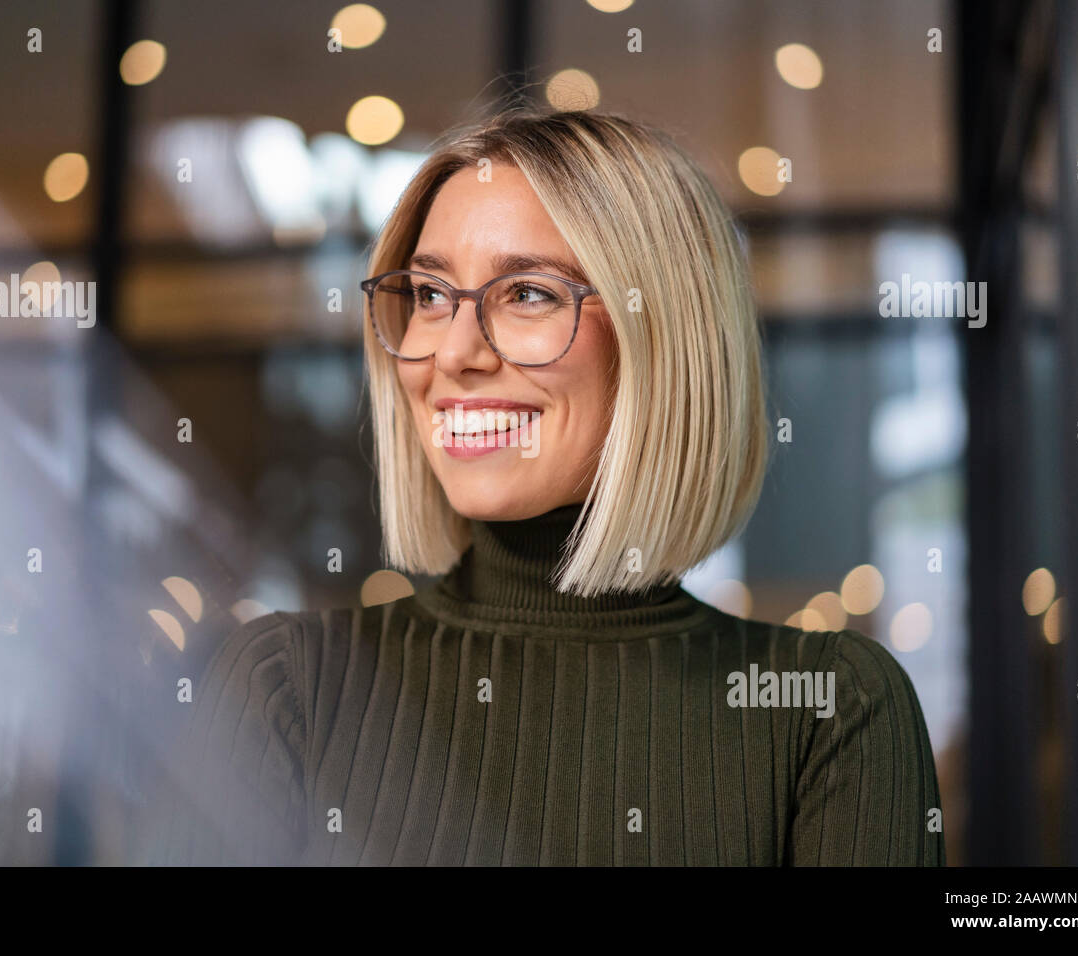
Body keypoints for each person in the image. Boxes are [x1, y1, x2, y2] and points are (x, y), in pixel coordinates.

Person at [154, 108, 945, 866]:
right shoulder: (286, 684)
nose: (453, 352)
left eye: (528, 293)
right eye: (429, 295)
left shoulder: (826, 712)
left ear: (662, 339)